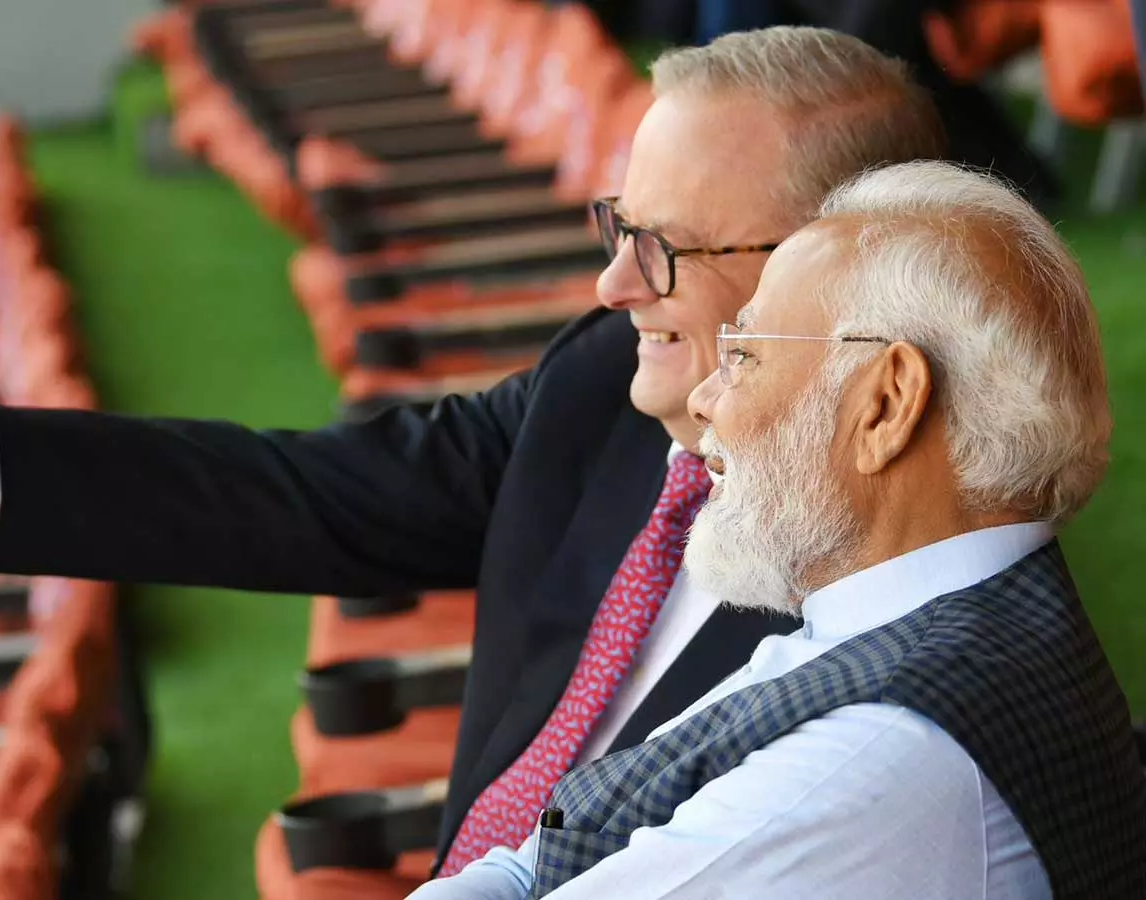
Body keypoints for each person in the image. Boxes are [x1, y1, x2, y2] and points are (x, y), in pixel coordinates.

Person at [0, 27, 948, 877]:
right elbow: (279, 497)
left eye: (666, 249)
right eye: (618, 226)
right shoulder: (597, 392)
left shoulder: (900, 589)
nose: (613, 286)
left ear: (839, 272)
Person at [409, 159, 1146, 900]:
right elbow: (528, 864)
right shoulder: (891, 624)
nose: (705, 400)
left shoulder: (880, 753)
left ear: (886, 406)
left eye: (744, 356)